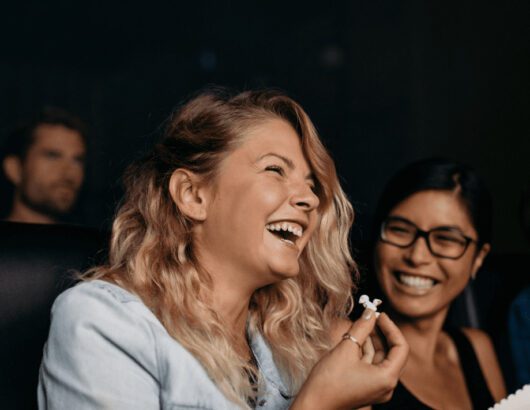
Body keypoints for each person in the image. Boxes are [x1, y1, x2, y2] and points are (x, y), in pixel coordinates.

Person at [38, 88, 408, 409]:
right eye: (276, 170)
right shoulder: (103, 323)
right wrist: (318, 403)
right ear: (193, 195)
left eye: (312, 184)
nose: (310, 199)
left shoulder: (295, 349)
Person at [368, 158, 506, 409]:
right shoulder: (350, 349)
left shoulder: (477, 348)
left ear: (478, 258)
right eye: (400, 230)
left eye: (445, 239)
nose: (417, 256)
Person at [1, 107, 87, 224]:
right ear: (15, 169)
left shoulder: (90, 241)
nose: (69, 172)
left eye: (78, 161)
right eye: (52, 156)